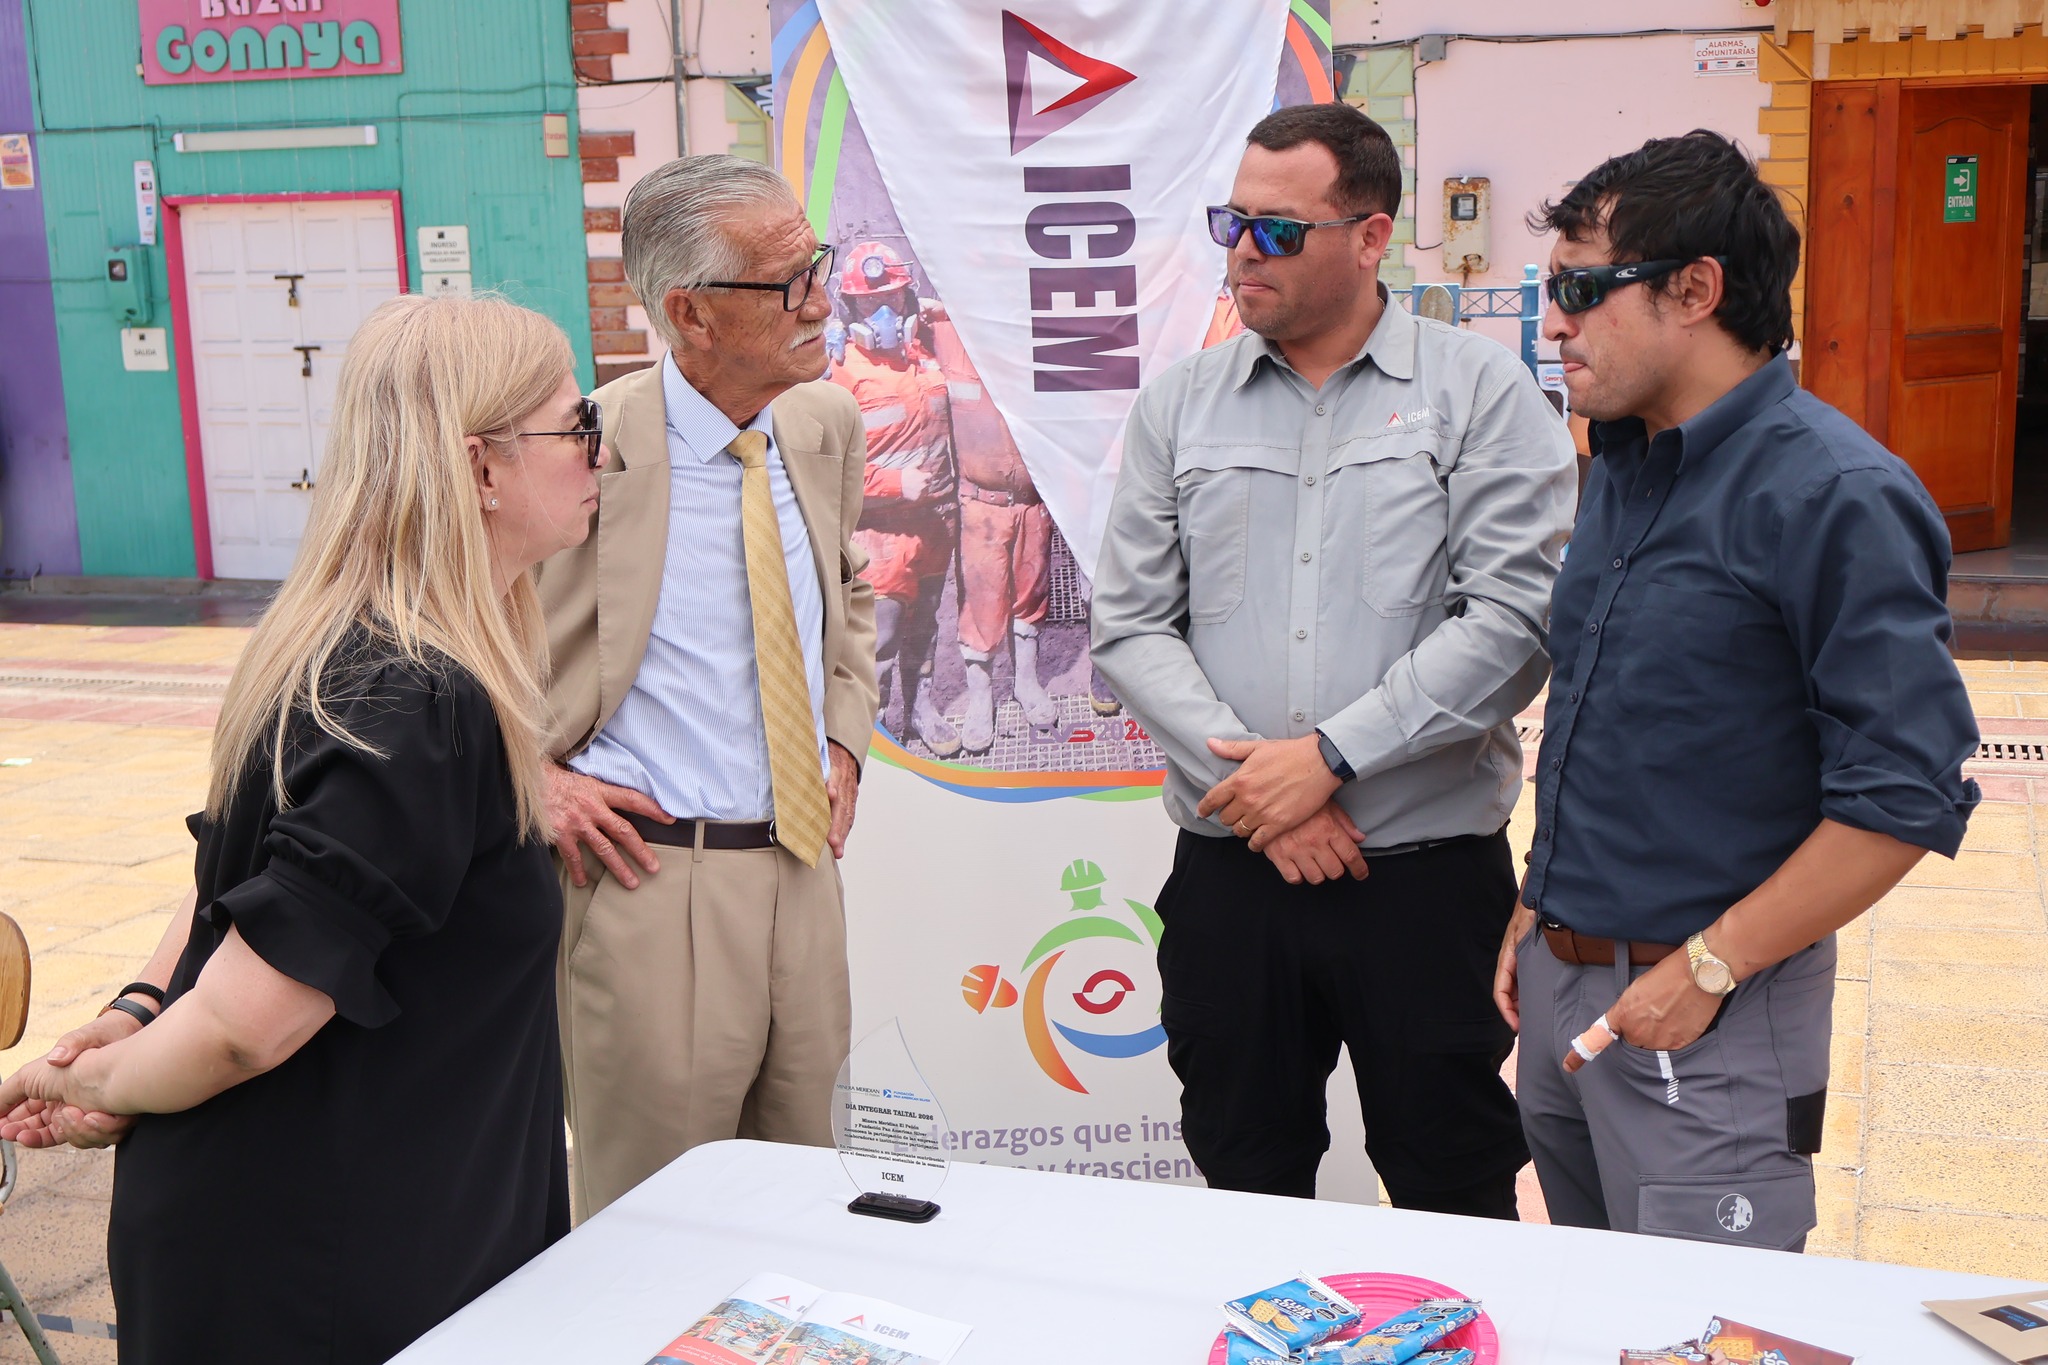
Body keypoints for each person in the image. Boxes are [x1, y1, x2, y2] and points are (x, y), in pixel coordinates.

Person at [0, 292, 597, 1361]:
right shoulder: (415, 696)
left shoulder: (366, 656)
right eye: (577, 426)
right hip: (320, 1266)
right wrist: (92, 1082)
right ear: (481, 466)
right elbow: (242, 1023)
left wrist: (137, 1009)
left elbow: (250, 882)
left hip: (351, 1228)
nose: (601, 455)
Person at [1496, 130, 1980, 1249]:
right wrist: (1542, 899)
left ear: (1694, 290)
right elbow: (1618, 722)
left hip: (1702, 1015)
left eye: (1576, 287)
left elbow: (1902, 796)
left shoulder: (1834, 493)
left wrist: (1707, 969)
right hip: (1564, 989)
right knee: (1587, 1311)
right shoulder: (1621, 464)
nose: (1551, 322)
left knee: (1707, 1325)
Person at [1091, 102, 1575, 1215]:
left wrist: (1331, 758)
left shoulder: (1477, 393)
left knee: (1451, 1177)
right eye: (1229, 222)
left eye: (1274, 230)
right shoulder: (1180, 407)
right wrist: (1272, 794)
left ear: (1369, 237)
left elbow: (1511, 621)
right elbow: (1128, 625)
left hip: (1421, 882)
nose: (1239, 253)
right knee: (1241, 1171)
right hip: (1232, 879)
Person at [538, 154, 880, 1219]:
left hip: (797, 876)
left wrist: (844, 739)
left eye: (814, 265)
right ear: (688, 312)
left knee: (809, 1207)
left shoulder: (823, 427)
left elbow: (847, 590)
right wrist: (532, 779)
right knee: (657, 1224)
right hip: (648, 885)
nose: (819, 300)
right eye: (786, 282)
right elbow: (446, 638)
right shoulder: (577, 449)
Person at [823, 241, 961, 755]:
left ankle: (920, 707)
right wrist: (896, 485)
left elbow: (968, 310)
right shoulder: (838, 371)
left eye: (895, 298)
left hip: (934, 524)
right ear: (850, 309)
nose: (882, 312)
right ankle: (869, 739)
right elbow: (825, 469)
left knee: (925, 626)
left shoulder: (924, 353)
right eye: (866, 304)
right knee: (877, 641)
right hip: (878, 534)